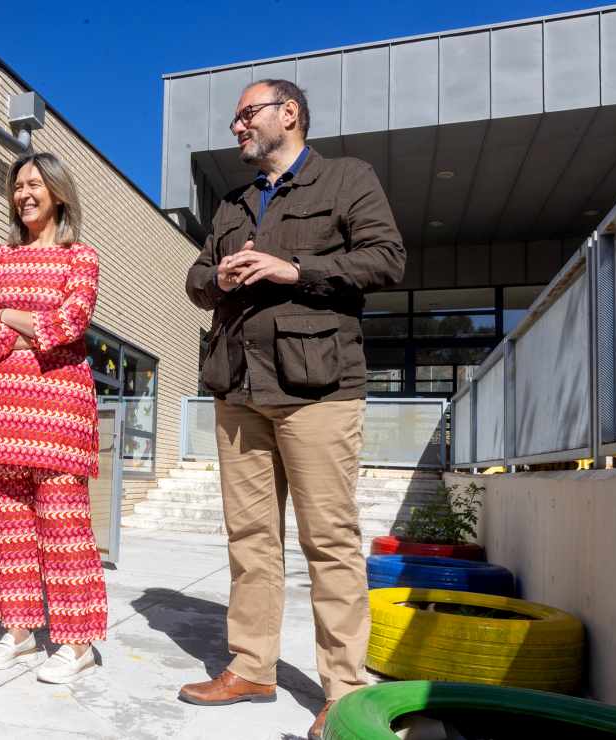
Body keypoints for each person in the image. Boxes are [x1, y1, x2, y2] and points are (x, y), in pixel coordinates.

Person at [177, 79, 405, 740]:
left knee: (328, 541)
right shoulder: (233, 202)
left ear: (289, 114)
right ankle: (251, 666)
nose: (236, 127)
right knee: (249, 539)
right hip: (239, 388)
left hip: (319, 390)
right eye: (236, 117)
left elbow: (387, 259)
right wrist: (213, 278)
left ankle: (343, 689)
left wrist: (293, 270)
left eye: (246, 114)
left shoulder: (346, 179)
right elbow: (195, 278)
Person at [0, 151, 107, 685]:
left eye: (35, 184)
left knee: (64, 526)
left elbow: (69, 322)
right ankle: (18, 632)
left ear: (58, 192)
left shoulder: (79, 258)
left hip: (57, 411)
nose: (24, 194)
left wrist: (9, 316)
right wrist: (20, 326)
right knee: (3, 522)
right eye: (18, 186)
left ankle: (76, 642)